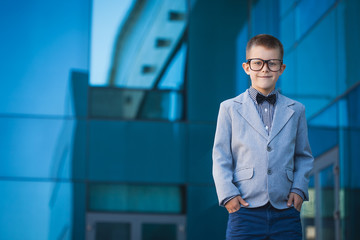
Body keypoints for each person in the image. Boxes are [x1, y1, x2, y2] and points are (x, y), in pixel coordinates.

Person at [212, 34, 314, 240]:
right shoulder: (229, 108)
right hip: (245, 209)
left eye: (272, 63)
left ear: (281, 68)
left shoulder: (297, 110)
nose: (265, 69)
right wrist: (228, 195)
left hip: (285, 209)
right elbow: (221, 156)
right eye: (257, 63)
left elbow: (303, 156)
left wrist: (299, 190)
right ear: (247, 67)